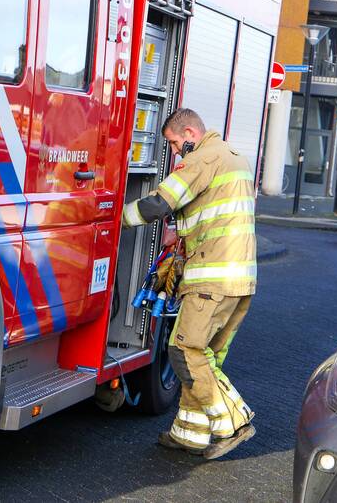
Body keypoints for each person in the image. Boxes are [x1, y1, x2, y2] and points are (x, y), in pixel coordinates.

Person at [121, 108, 257, 459]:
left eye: (174, 142)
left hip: (211, 277)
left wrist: (113, 216)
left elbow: (159, 203)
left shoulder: (202, 159)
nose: (174, 150)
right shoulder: (233, 156)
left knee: (185, 349)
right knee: (203, 356)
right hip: (239, 280)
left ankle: (234, 423)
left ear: (190, 133)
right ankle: (190, 432)